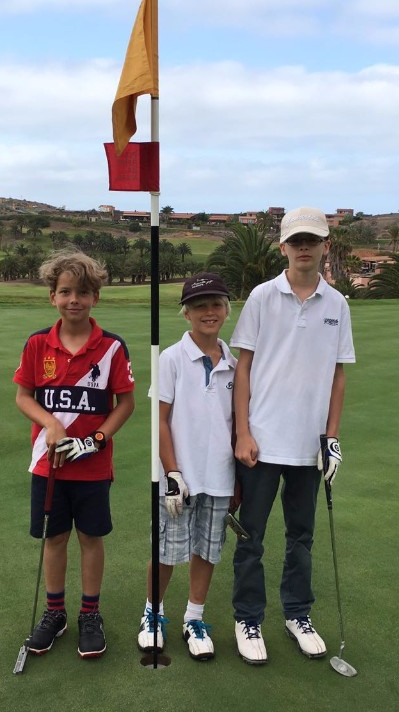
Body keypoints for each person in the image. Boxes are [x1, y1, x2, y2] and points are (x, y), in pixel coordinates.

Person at [229, 206, 355, 665]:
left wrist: (331, 437)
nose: (304, 247)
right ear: (283, 247)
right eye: (296, 240)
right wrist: (242, 432)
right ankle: (248, 618)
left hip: (308, 445)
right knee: (251, 536)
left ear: (325, 246)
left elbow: (337, 376)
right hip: (262, 441)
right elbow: (243, 368)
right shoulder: (262, 297)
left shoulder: (337, 304)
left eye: (312, 240)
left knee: (302, 536)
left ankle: (297, 614)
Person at [13, 250, 136, 660]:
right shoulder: (37, 344)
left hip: (92, 467)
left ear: (95, 297)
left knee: (90, 537)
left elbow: (125, 404)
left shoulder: (112, 347)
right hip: (47, 464)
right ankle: (55, 613)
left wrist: (97, 439)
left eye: (83, 292)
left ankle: (89, 613)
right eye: (65, 292)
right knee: (54, 537)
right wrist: (50, 423)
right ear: (52, 296)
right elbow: (24, 396)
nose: (74, 300)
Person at [137, 272, 237, 661]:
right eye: (199, 306)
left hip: (219, 476)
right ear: (186, 313)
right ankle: (153, 613)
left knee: (207, 550)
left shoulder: (234, 364)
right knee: (166, 550)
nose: (208, 312)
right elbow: (159, 420)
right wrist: (172, 472)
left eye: (215, 305)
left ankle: (194, 617)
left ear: (226, 310)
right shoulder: (171, 358)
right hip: (178, 478)